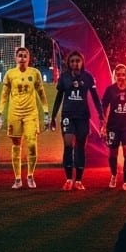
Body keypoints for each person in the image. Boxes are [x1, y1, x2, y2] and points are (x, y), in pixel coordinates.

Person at [50, 49, 103, 190]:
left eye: (77, 61)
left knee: (80, 147)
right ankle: (68, 179)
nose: (75, 63)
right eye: (72, 61)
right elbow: (58, 98)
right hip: (68, 115)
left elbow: (96, 98)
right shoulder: (64, 78)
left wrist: (101, 115)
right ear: (69, 63)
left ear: (82, 62)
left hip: (83, 116)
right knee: (68, 145)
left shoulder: (88, 77)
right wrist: (53, 116)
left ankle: (78, 180)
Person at [0, 45, 48, 189]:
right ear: (16, 58)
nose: (22, 58)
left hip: (31, 114)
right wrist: (0, 113)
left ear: (29, 58)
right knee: (16, 145)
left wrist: (45, 112)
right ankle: (18, 178)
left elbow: (41, 93)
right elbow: (4, 95)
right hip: (14, 113)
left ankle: (30, 175)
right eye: (19, 55)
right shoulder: (10, 74)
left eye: (25, 56)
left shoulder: (35, 73)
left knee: (32, 145)